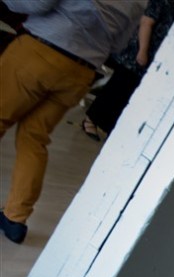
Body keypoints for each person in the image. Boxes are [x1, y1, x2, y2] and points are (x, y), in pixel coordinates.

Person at [0, 0, 145, 244]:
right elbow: (119, 44)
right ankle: (15, 218)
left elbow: (39, 4)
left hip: (40, 51)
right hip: (80, 73)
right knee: (34, 139)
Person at [81, 0, 174, 139]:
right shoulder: (162, 2)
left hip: (152, 59)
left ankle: (109, 126)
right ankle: (91, 120)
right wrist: (142, 51)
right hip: (137, 54)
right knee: (118, 88)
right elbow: (146, 23)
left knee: (128, 94)